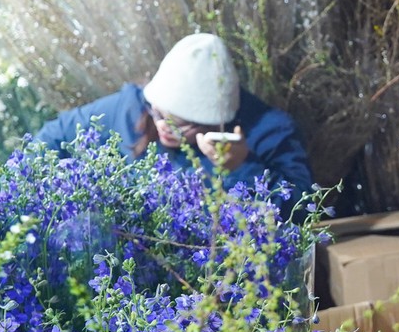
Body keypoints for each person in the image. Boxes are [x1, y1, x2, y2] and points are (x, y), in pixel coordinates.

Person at [36, 32, 314, 208]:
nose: (163, 128)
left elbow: (303, 211)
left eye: (181, 125)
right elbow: (51, 138)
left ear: (218, 124)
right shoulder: (131, 107)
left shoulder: (269, 131)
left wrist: (242, 166)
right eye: (159, 115)